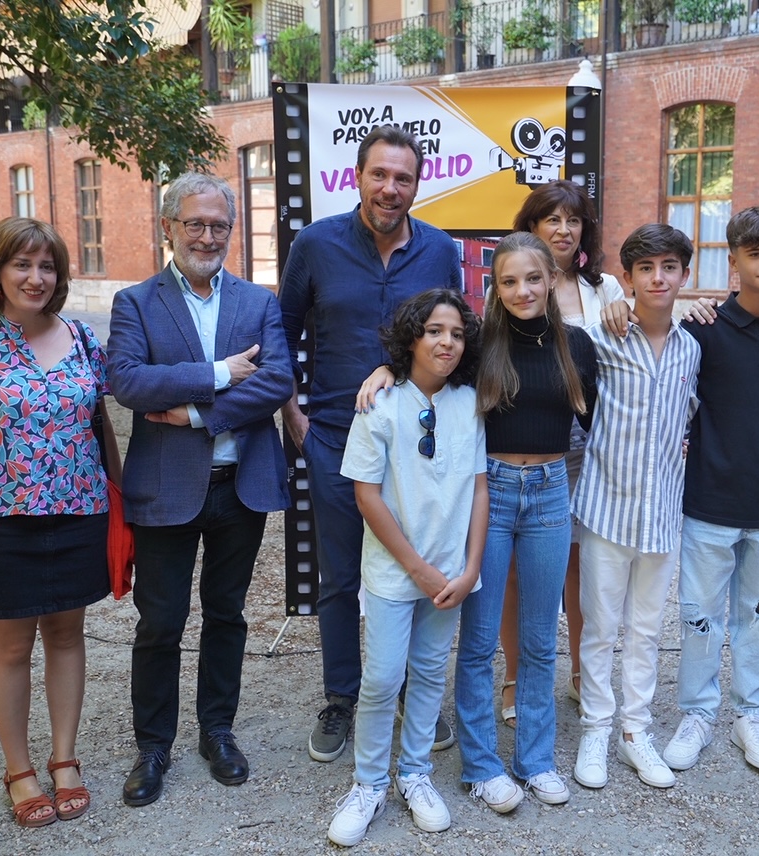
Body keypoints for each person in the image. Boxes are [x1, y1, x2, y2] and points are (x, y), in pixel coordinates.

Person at [354, 232, 596, 810]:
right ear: (494, 287)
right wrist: (382, 371)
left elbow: (602, 418)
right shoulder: (481, 342)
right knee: (480, 638)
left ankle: (535, 760)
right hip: (492, 489)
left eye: (533, 278)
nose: (522, 290)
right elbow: (426, 364)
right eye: (508, 281)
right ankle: (482, 765)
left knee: (539, 638)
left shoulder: (579, 346)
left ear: (553, 279)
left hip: (550, 491)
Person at [108, 172, 295, 807]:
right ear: (169, 227)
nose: (208, 237)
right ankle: (152, 746)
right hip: (166, 489)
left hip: (240, 486)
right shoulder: (136, 303)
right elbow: (129, 383)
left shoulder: (258, 302)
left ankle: (217, 731)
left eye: (220, 226)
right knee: (160, 622)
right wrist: (219, 372)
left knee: (226, 615)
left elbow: (276, 381)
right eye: (196, 224)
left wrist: (194, 413)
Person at [279, 126, 463, 763]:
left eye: (403, 178)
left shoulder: (439, 250)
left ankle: (409, 689)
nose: (390, 188)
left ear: (417, 185)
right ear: (357, 176)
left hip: (415, 445)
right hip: (332, 436)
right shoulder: (315, 244)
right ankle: (342, 696)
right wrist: (293, 414)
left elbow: (453, 335)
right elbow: (282, 335)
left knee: (412, 567)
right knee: (339, 576)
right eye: (379, 175)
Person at [0, 217, 109, 827]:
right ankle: (19, 769)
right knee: (10, 649)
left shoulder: (82, 339)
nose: (36, 278)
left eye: (47, 266)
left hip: (79, 512)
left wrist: (123, 505)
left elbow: (99, 427)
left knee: (67, 636)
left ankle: (65, 760)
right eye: (22, 265)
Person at [659, 207, 759, 775]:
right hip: (710, 501)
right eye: (755, 254)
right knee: (700, 615)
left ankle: (752, 712)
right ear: (733, 261)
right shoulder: (703, 327)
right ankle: (698, 713)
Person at [327, 290, 487, 846]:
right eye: (434, 331)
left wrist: (471, 567)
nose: (447, 343)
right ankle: (368, 783)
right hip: (397, 572)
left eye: (457, 334)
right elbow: (366, 496)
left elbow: (479, 488)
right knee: (382, 678)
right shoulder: (380, 403)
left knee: (429, 672)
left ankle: (414, 773)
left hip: (451, 574)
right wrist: (418, 569)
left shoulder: (469, 402)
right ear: (411, 338)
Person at [572, 224, 700, 791]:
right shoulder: (601, 338)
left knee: (646, 629)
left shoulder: (692, 349)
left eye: (669, 267)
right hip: (607, 507)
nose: (658, 278)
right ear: (627, 278)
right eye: (645, 268)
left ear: (684, 275)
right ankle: (595, 728)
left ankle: (634, 730)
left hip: (663, 511)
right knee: (600, 628)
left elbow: (689, 414)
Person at [498, 180, 626, 727]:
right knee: (513, 571)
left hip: (591, 449)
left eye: (573, 220)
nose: (564, 229)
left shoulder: (607, 288)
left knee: (578, 566)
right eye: (551, 219)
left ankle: (580, 672)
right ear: (531, 227)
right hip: (528, 444)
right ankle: (513, 676)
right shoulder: (510, 289)